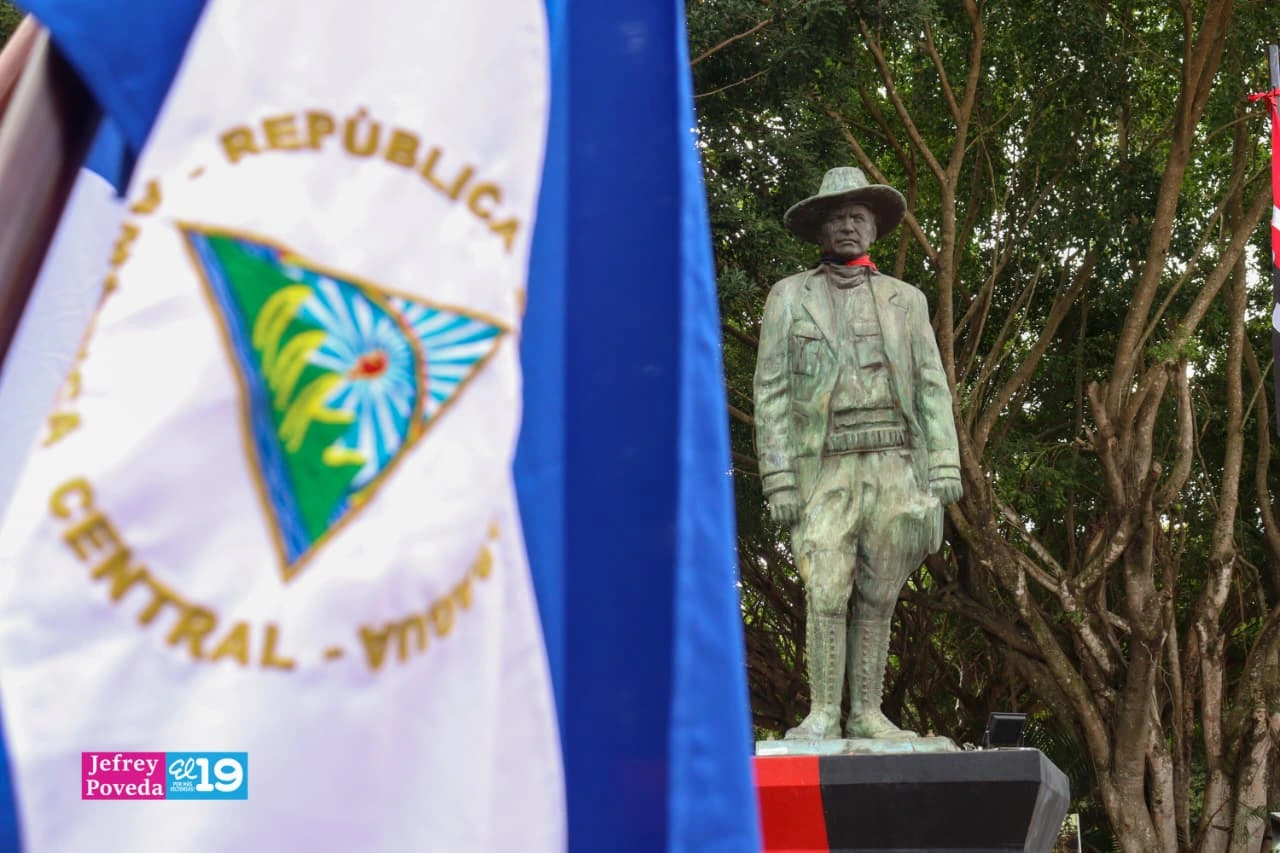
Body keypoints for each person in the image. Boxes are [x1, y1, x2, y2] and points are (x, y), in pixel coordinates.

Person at [753, 166, 962, 740]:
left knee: (879, 593)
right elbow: (770, 391)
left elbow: (931, 384)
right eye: (837, 218)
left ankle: (867, 713)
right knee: (825, 586)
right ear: (820, 230)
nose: (847, 226)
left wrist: (944, 461)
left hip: (895, 464)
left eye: (858, 217)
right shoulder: (789, 296)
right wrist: (779, 478)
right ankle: (823, 712)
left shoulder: (906, 301)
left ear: (874, 229)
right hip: (824, 468)